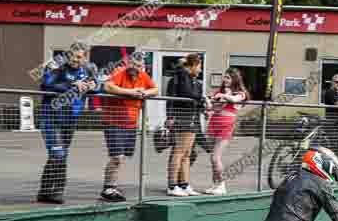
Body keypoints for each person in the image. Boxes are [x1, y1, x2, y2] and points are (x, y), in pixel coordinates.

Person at [37, 42, 97, 204]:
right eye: (72, 55)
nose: (75, 60)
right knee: (58, 153)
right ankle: (57, 192)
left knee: (59, 155)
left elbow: (98, 87)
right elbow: (45, 84)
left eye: (79, 57)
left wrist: (92, 86)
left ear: (85, 58)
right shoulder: (56, 66)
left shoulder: (88, 70)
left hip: (70, 119)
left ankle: (44, 192)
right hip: (51, 118)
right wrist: (71, 85)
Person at [99, 51, 158, 201]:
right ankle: (108, 188)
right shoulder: (120, 72)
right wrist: (131, 92)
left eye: (139, 66)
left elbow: (155, 90)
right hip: (114, 121)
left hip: (130, 123)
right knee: (117, 156)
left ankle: (111, 185)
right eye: (133, 64)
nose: (136, 68)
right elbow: (108, 87)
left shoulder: (142, 76)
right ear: (128, 64)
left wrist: (144, 93)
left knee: (122, 157)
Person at [166, 53, 210, 196]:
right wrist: (203, 98)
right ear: (193, 65)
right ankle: (172, 186)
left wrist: (203, 107)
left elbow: (193, 96)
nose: (200, 70)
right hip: (183, 118)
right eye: (199, 67)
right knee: (179, 152)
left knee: (186, 154)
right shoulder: (182, 76)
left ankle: (184, 184)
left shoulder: (191, 79)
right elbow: (186, 94)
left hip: (191, 118)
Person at [204, 68, 248, 195]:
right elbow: (213, 108)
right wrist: (208, 103)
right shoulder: (220, 92)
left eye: (228, 77)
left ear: (235, 79)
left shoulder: (240, 93)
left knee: (215, 157)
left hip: (226, 126)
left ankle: (222, 184)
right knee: (212, 157)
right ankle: (215, 184)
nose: (225, 79)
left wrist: (223, 95)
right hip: (214, 124)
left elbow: (234, 100)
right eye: (225, 77)